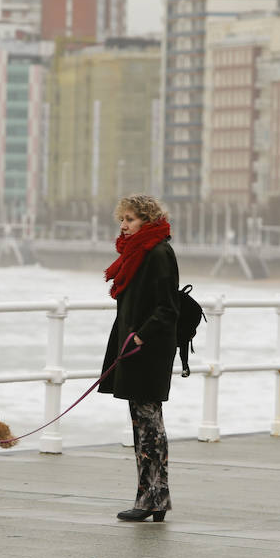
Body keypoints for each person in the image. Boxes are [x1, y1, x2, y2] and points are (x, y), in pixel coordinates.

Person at [99, 194, 180, 522]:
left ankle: (153, 498)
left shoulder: (158, 252)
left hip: (148, 349)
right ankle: (154, 497)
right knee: (144, 421)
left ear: (147, 221)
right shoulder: (137, 253)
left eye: (130, 219)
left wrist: (141, 335)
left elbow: (167, 308)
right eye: (122, 219)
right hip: (135, 346)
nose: (123, 225)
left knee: (149, 424)